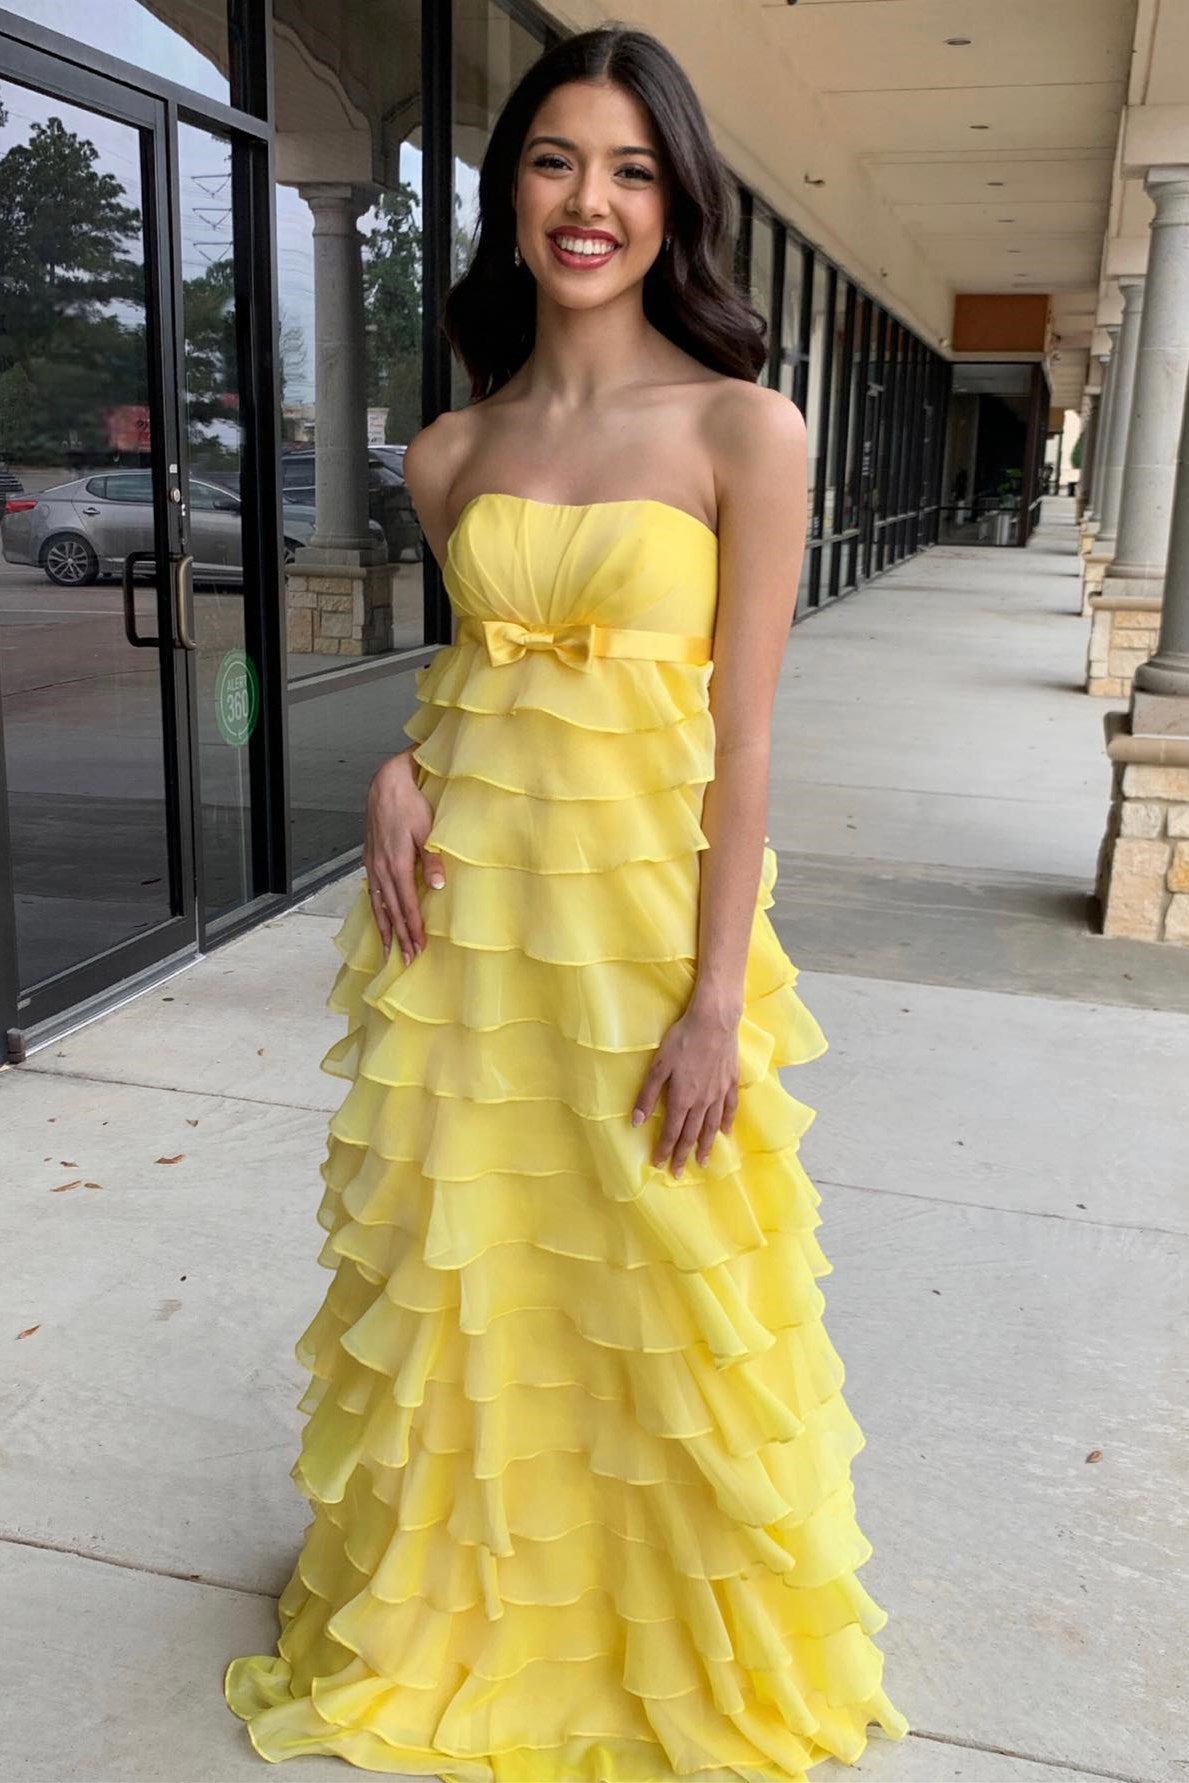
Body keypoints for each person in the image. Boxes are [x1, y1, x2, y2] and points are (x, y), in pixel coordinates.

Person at [224, 22, 911, 1779]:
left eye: (626, 168)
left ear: (672, 203)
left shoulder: (745, 427)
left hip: (643, 932)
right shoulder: (450, 448)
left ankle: (663, 1637)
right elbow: (475, 678)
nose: (586, 201)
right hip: (464, 930)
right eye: (552, 161)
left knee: (663, 1263)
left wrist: (712, 1002)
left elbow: (743, 741)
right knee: (474, 1266)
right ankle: (467, 1609)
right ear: (509, 195)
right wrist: (399, 768)